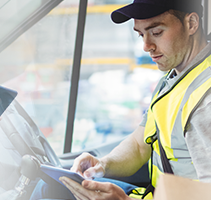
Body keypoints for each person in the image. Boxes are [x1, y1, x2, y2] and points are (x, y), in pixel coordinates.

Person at [58, 0, 211, 199]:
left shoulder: (205, 101)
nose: (146, 46)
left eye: (156, 32)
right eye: (140, 34)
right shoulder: (175, 77)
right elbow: (140, 146)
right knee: (57, 187)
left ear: (191, 24)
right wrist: (102, 165)